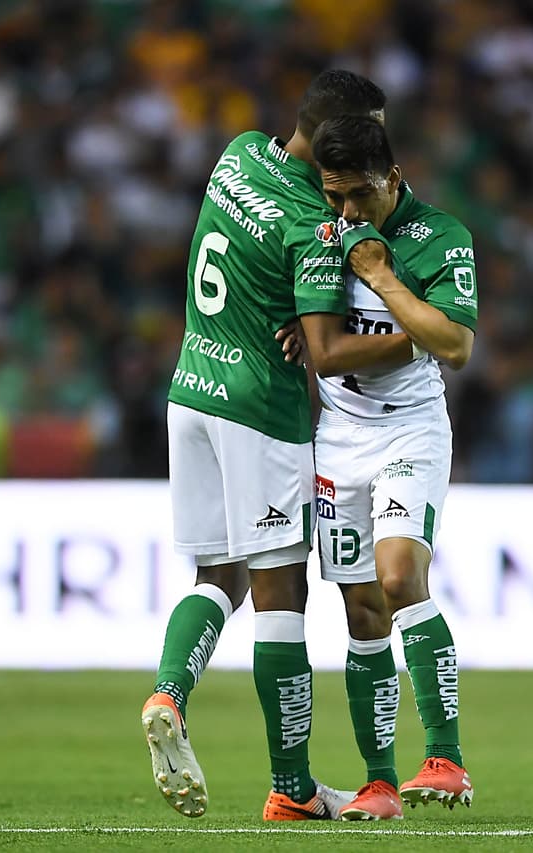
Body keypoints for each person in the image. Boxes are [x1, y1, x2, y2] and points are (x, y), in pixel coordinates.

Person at [142, 70, 400, 822]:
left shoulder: (237, 154)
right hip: (260, 408)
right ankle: (291, 788)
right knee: (283, 595)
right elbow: (323, 348)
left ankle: (169, 689)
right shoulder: (314, 226)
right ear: (334, 142)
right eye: (371, 133)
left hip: (191, 388)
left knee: (217, 573)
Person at [288, 114, 477, 821]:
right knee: (362, 610)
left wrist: (379, 275)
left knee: (400, 577)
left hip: (410, 433)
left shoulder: (440, 236)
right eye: (334, 197)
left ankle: (448, 758)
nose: (345, 213)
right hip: (338, 439)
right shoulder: (323, 230)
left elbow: (453, 343)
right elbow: (322, 343)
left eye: (357, 198)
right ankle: (379, 783)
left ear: (391, 179)